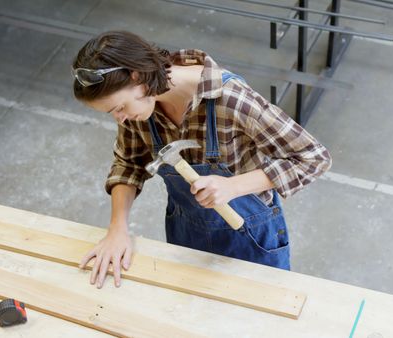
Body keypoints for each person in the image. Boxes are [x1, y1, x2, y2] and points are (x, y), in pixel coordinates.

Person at [71, 31, 332, 288]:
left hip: (249, 234)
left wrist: (232, 187)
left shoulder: (230, 99)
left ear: (138, 77)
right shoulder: (140, 108)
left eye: (119, 107)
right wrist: (117, 229)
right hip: (186, 230)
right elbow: (128, 163)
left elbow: (313, 158)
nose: (120, 118)